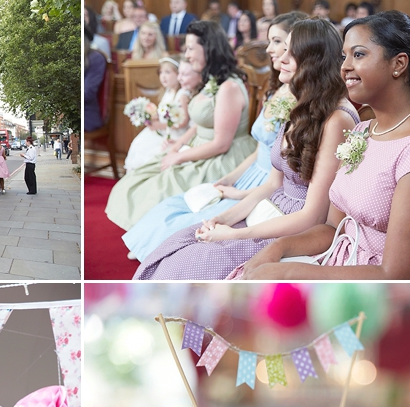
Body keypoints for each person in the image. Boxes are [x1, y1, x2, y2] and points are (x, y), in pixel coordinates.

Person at [241, 10, 410, 280]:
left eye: (358, 55)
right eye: (344, 56)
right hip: (341, 260)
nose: (345, 66)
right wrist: (277, 248)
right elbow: (333, 228)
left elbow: (394, 274)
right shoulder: (362, 131)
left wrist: (290, 270)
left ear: (399, 64)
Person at [135, 19, 358, 280]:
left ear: (314, 59)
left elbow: (314, 216)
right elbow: (273, 184)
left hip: (294, 229)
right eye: (282, 48)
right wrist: (225, 218)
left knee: (192, 265)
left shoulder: (337, 120)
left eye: (291, 51)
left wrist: (235, 234)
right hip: (268, 209)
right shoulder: (299, 106)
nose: (280, 58)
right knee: (178, 244)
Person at [122, 11, 306, 262]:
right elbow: (258, 150)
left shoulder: (298, 100)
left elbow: (279, 175)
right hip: (249, 170)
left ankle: (159, 250)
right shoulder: (277, 90)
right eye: (271, 41)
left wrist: (237, 193)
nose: (271, 49)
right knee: (173, 205)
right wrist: (229, 179)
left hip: (266, 184)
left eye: (278, 42)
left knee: (189, 222)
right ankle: (150, 245)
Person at [105, 20, 256, 231]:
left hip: (223, 157)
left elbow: (221, 143)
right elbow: (200, 125)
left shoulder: (228, 87)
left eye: (191, 49)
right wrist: (177, 144)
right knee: (137, 178)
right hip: (198, 146)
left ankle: (151, 236)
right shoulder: (212, 80)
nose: (187, 55)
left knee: (158, 187)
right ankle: (144, 235)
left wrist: (179, 156)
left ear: (209, 49)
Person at [123, 57, 194, 171]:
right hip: (162, 130)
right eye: (161, 72)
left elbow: (184, 121)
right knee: (139, 144)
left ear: (178, 74)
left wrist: (159, 125)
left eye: (167, 72)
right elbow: (163, 113)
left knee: (151, 149)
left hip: (175, 134)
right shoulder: (167, 92)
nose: (163, 76)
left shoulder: (182, 95)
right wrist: (152, 117)